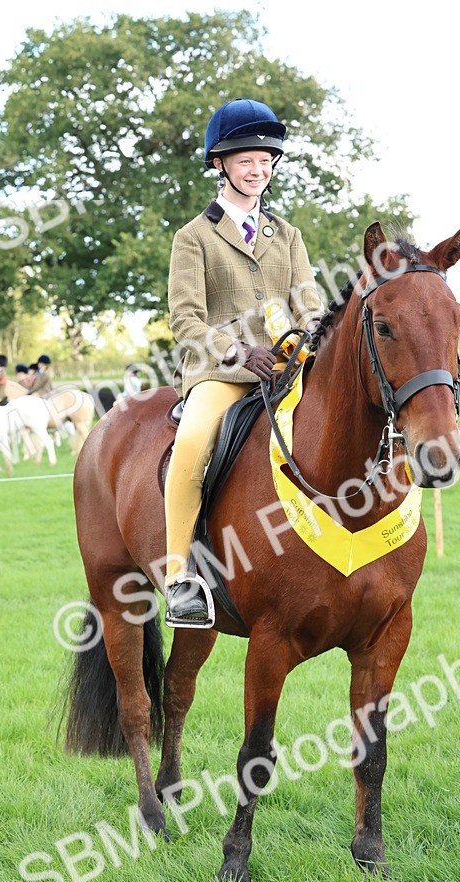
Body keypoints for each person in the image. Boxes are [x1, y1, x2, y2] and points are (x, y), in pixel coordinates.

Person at [164, 97, 325, 627]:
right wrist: (238, 350)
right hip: (221, 371)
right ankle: (179, 578)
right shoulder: (193, 237)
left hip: (285, 367)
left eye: (265, 160)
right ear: (220, 164)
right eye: (246, 160)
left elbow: (309, 304)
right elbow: (185, 320)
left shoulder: (289, 235)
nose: (258, 170)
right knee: (192, 442)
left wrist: (308, 337)